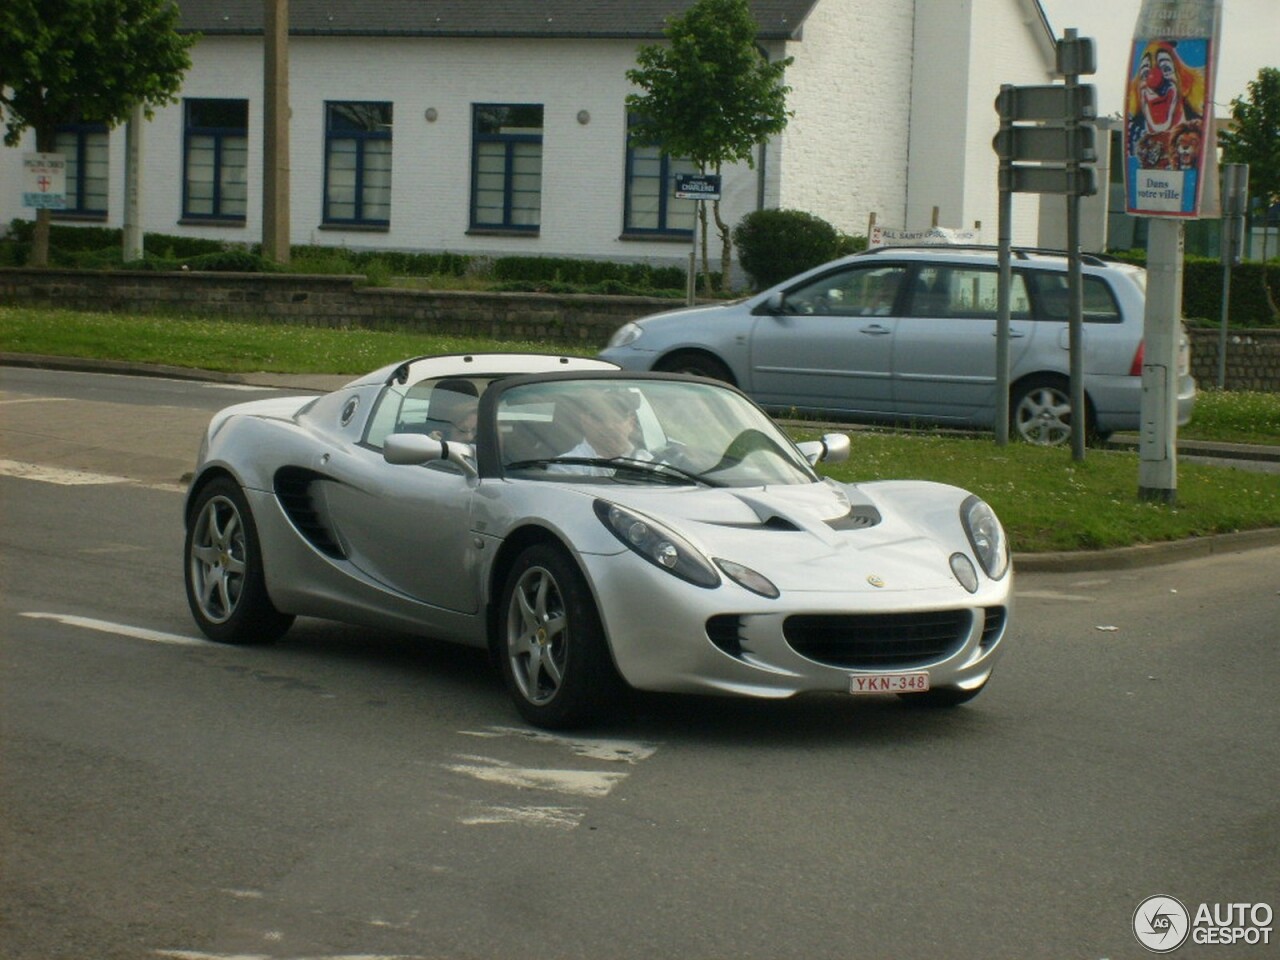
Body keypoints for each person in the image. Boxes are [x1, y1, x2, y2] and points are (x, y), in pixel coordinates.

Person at [550, 387, 651, 474]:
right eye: (599, 417)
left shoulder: (653, 466)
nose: (609, 426)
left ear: (631, 423)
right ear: (584, 421)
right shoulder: (566, 467)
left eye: (618, 418)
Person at [427, 378, 479, 443]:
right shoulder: (430, 447)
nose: (469, 438)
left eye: (475, 431)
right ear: (445, 431)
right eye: (462, 431)